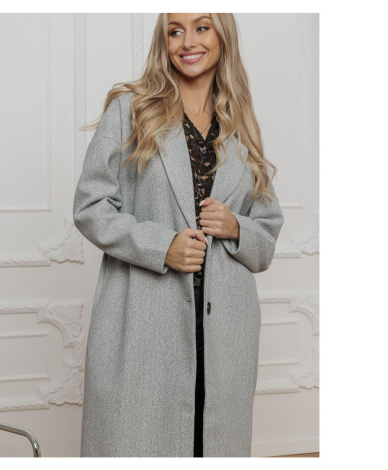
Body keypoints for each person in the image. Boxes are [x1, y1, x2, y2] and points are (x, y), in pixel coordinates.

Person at [73, 13, 284, 458]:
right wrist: (161, 246)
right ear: (164, 41)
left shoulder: (239, 122)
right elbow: (90, 206)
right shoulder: (131, 109)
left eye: (202, 27)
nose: (188, 41)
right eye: (175, 30)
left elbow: (266, 233)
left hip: (225, 330)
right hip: (145, 322)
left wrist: (237, 227)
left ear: (223, 35)